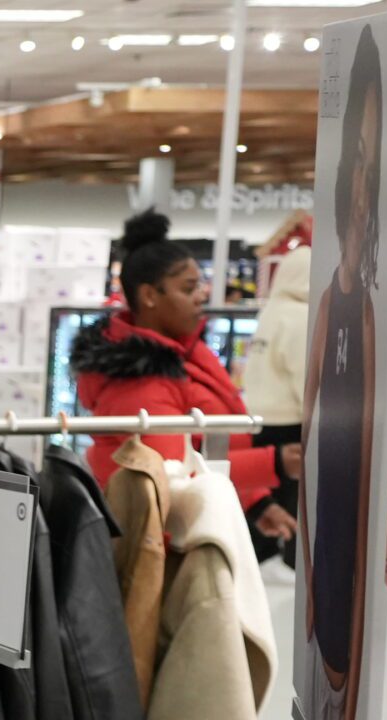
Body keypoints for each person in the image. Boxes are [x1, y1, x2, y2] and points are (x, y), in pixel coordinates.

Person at [73, 211, 299, 547]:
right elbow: (169, 474)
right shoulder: (139, 380)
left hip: (188, 529)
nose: (201, 297)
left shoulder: (185, 353)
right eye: (189, 288)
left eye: (200, 286)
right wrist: (273, 463)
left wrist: (257, 502)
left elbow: (205, 446)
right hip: (160, 543)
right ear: (150, 296)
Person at [301, 25, 387, 720]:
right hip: (321, 586)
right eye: (352, 162)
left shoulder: (369, 320)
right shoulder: (332, 306)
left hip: (348, 588)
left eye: (374, 161)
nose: (361, 181)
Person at [242, 248, 310, 560]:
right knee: (289, 502)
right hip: (289, 420)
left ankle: (262, 557)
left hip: (256, 417)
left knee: (262, 495)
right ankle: (287, 561)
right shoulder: (301, 316)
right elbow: (303, 375)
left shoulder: (271, 310)